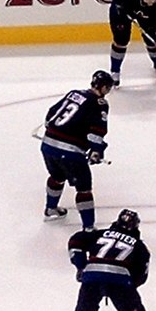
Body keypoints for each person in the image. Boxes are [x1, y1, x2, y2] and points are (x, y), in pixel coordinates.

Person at [66, 208, 155, 311]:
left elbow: (75, 240)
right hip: (120, 281)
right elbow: (141, 275)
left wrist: (81, 266)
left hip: (92, 276)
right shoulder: (140, 247)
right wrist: (129, 291)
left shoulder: (100, 234)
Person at [40, 70, 114, 231]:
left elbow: (50, 115)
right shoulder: (99, 103)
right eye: (108, 88)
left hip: (47, 145)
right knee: (84, 188)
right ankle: (88, 227)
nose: (108, 91)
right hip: (70, 153)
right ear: (103, 87)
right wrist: (96, 151)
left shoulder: (74, 93)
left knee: (57, 176)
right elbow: (97, 131)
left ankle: (50, 209)